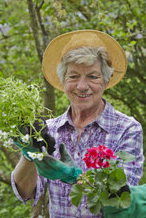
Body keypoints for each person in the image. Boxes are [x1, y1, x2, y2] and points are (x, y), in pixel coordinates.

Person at [11, 30, 144, 218]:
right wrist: (28, 153)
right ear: (63, 81)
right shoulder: (49, 130)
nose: (82, 86)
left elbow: (123, 201)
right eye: (73, 76)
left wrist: (77, 177)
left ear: (106, 81)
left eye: (92, 77)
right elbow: (25, 193)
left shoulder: (127, 128)